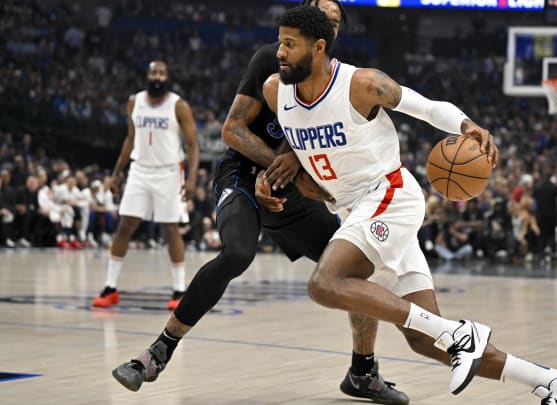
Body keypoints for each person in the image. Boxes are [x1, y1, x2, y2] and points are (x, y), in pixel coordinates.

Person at [260, 6, 557, 403]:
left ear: (318, 48)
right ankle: (553, 381)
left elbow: (427, 107)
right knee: (423, 337)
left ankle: (459, 333)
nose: (279, 52)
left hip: (389, 196)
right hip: (355, 210)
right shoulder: (275, 91)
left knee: (325, 283)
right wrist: (274, 178)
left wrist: (468, 126)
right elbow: (304, 154)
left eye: (289, 45)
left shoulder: (361, 84)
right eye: (280, 42)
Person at [110, 3, 409, 404]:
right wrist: (274, 168)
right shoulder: (271, 60)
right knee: (237, 253)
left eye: (334, 21)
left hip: (291, 189)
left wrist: (304, 176)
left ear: (329, 37)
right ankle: (157, 353)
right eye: (319, 14)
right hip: (244, 175)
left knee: (355, 269)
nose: (327, 24)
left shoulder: (341, 81)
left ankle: (362, 372)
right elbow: (232, 130)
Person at [91, 60, 199, 310]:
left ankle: (180, 290)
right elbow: (130, 139)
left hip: (169, 172)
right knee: (124, 226)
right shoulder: (134, 101)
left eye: (162, 73)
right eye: (153, 73)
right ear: (147, 75)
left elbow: (193, 144)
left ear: (167, 77)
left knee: (170, 229)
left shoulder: (178, 105)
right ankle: (110, 287)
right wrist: (118, 172)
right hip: (139, 170)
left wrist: (192, 179)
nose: (157, 77)